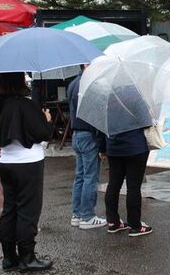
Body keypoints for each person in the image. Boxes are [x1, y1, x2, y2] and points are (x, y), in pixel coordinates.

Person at [0, 72, 53, 272]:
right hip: (29, 163)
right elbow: (43, 132)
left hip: (6, 162)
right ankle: (27, 257)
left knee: (10, 209)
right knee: (28, 211)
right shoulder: (26, 104)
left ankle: (9, 257)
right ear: (19, 81)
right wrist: (47, 119)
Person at [68, 68, 106, 229]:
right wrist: (102, 144)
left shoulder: (73, 84)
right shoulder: (91, 85)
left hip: (76, 133)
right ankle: (88, 216)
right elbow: (96, 117)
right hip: (90, 135)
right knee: (90, 177)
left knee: (80, 176)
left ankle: (77, 214)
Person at [99, 127, 153, 237]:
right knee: (133, 187)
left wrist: (102, 148)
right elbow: (147, 122)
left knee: (113, 184)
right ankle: (135, 225)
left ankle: (113, 221)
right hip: (135, 145)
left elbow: (102, 128)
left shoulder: (107, 109)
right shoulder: (136, 108)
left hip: (113, 147)